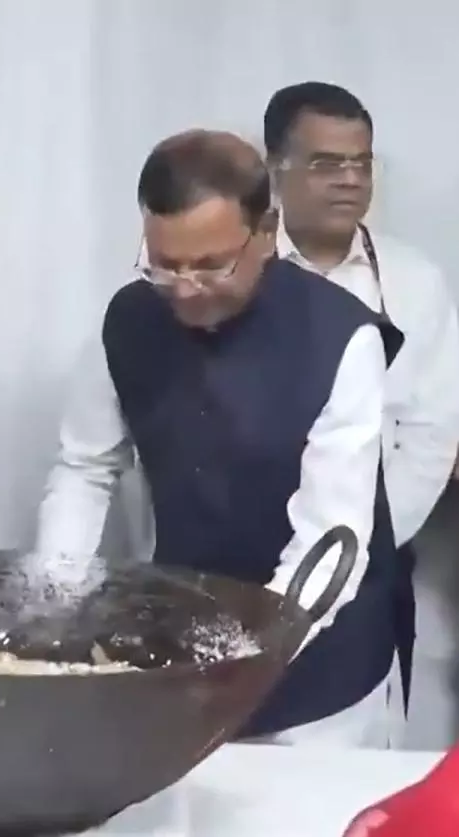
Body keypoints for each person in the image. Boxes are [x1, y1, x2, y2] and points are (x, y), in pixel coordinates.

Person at [36, 129, 401, 747]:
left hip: (321, 671)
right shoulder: (128, 321)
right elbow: (85, 469)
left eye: (210, 265)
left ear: (266, 232)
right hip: (185, 647)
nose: (183, 287)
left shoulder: (341, 338)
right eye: (163, 263)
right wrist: (51, 600)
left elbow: (330, 540)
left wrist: (244, 657)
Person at [263, 81, 459, 725]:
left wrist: (364, 552)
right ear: (274, 168)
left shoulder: (415, 281)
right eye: (325, 163)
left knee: (353, 749)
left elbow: (432, 433)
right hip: (236, 556)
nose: (350, 180)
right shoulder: (233, 271)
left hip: (371, 559)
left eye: (361, 162)